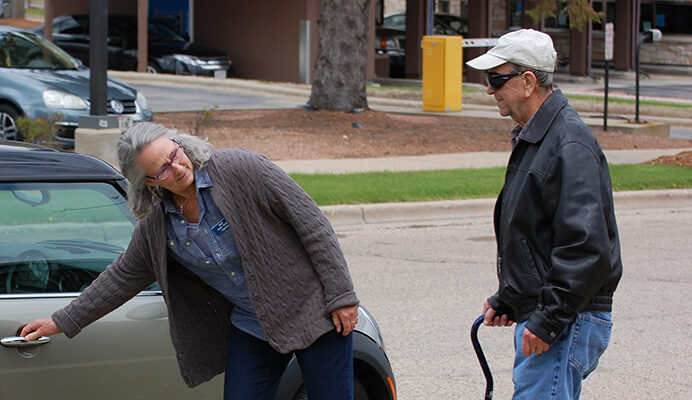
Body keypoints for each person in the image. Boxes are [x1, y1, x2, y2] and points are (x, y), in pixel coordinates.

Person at [21, 122, 360, 400]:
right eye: (163, 170)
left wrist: (342, 296)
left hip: (312, 310)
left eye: (175, 154)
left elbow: (313, 225)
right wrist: (61, 321)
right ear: (149, 183)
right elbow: (122, 276)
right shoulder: (157, 224)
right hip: (253, 324)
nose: (178, 167)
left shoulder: (243, 169)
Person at [466, 29, 623, 399]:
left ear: (527, 81)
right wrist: (510, 297)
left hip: (567, 318)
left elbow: (586, 249)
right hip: (552, 313)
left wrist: (548, 319)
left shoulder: (568, 143)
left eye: (496, 79)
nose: (490, 90)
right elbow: (537, 235)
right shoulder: (539, 136)